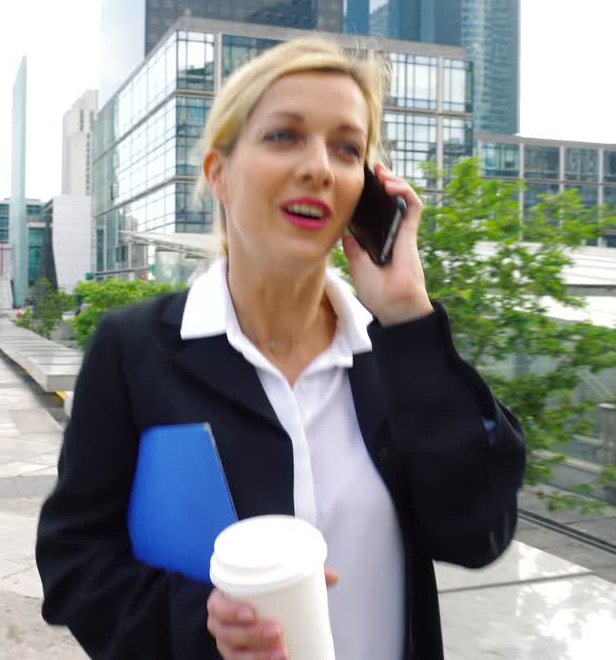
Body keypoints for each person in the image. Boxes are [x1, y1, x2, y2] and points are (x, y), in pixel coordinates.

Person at [35, 38, 526, 660]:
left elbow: (478, 534)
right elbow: (72, 564)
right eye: (284, 136)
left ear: (366, 191)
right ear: (219, 173)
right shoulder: (134, 351)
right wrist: (201, 624)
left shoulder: (393, 357)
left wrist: (407, 314)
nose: (320, 166)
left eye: (347, 148)